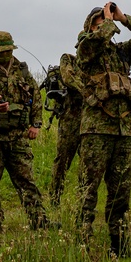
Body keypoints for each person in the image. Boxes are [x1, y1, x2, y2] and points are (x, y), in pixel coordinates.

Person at [66, 1, 131, 258]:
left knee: (120, 192)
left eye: (105, 21)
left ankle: (119, 245)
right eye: (99, 22)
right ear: (90, 27)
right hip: (95, 131)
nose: (106, 24)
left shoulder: (121, 54)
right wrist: (106, 22)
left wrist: (124, 19)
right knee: (88, 189)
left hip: (122, 131)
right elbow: (95, 41)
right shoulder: (86, 49)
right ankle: (82, 244)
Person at [0, 31, 55, 232]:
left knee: (26, 179)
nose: (3, 55)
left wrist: (36, 125)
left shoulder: (22, 72)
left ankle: (38, 219)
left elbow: (35, 98)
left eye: (6, 51)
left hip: (17, 136)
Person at [48, 52, 83, 207]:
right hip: (70, 117)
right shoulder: (68, 59)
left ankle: (84, 200)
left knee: (88, 162)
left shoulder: (98, 62)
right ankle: (54, 198)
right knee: (63, 160)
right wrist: (89, 91)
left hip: (91, 120)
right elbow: (69, 79)